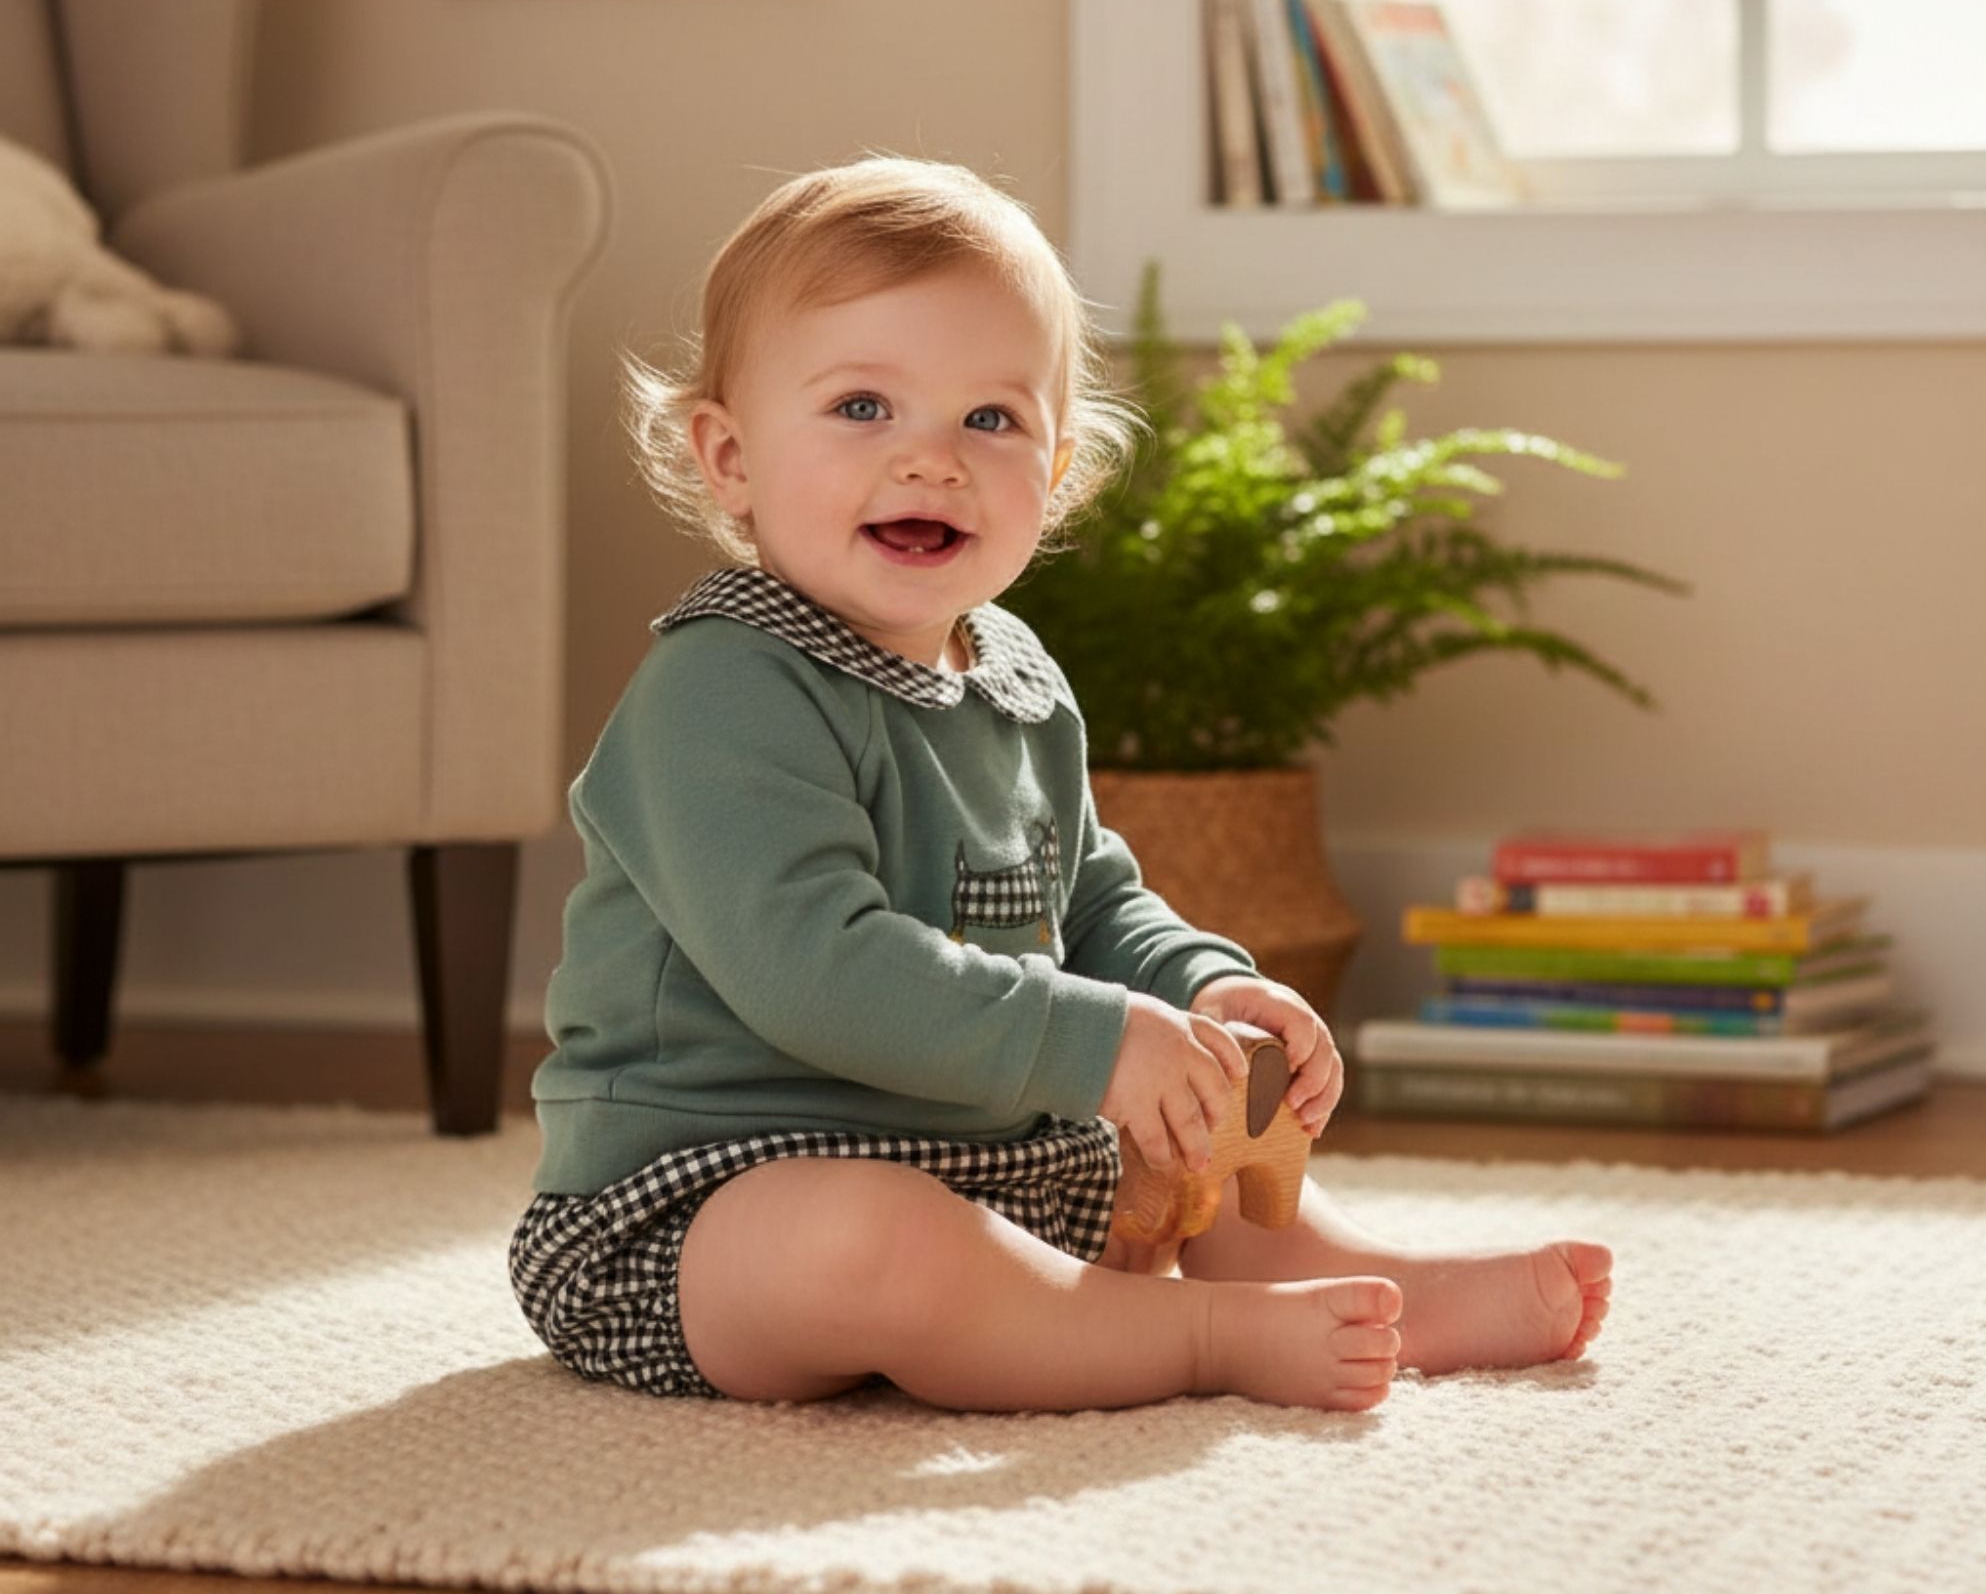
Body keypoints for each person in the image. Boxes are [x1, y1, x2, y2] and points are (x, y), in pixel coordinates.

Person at [508, 154, 1612, 1413]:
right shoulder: (719, 690)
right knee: (872, 1238)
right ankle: (1198, 1337)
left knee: (1202, 1131)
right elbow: (816, 966)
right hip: (703, 1208)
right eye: (862, 406)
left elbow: (1088, 902)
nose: (930, 460)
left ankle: (1355, 1278)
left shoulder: (1014, 678)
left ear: (1062, 470)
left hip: (997, 1164)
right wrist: (1092, 1041)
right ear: (730, 457)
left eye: (989, 420)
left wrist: (1199, 983)